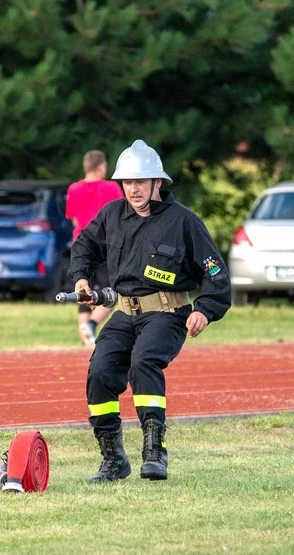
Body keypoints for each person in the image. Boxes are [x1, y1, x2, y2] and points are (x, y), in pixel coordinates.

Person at [69, 139, 231, 483]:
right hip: (124, 314)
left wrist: (205, 310)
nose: (134, 189)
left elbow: (215, 273)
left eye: (141, 181)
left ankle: (155, 453)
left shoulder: (184, 222)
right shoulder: (112, 215)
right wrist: (81, 278)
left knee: (143, 363)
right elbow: (84, 245)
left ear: (158, 183)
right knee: (99, 372)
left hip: (168, 314)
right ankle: (113, 460)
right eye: (128, 182)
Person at [66, 150, 123, 346]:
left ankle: (85, 341)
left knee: (84, 292)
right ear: (100, 167)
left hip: (81, 246)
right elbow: (120, 217)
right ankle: (90, 324)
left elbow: (74, 220)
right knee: (114, 293)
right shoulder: (111, 187)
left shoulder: (73, 189)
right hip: (105, 246)